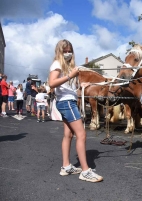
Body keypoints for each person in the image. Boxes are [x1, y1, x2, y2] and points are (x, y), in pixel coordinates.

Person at [48, 39, 103, 182]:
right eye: (65, 51)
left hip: (67, 100)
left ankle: (66, 166)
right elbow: (52, 83)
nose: (68, 53)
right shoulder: (57, 64)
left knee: (68, 135)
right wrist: (70, 76)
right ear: (59, 51)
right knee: (82, 134)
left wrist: (81, 85)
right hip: (66, 103)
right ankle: (85, 171)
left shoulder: (66, 66)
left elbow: (67, 86)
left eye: (69, 51)